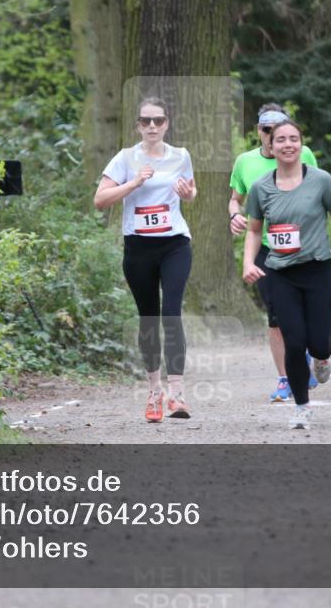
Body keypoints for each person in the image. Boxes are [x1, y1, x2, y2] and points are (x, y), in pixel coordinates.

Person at [242, 120, 331, 430]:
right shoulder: (261, 187)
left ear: (301, 145)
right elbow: (254, 231)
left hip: (317, 269)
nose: (287, 144)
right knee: (293, 342)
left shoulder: (321, 181)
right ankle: (302, 408)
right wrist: (248, 263)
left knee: (320, 343)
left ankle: (322, 358)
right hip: (280, 272)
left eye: (294, 138)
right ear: (272, 146)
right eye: (281, 139)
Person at [94, 98, 196, 423]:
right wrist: (134, 182)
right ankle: (154, 392)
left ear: (167, 123)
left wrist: (187, 195)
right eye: (146, 121)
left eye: (158, 120)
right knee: (148, 317)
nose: (152, 126)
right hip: (138, 247)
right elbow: (99, 200)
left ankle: (177, 395)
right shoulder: (125, 159)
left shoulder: (181, 156)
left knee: (171, 313)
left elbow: (191, 191)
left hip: (175, 243)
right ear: (137, 125)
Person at [229, 104, 323, 402]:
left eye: (278, 129)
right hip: (269, 248)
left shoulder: (303, 154)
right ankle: (285, 378)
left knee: (309, 310)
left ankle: (309, 353)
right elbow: (235, 199)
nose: (272, 136)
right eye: (266, 130)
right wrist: (234, 216)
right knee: (276, 316)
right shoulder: (245, 162)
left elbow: (319, 190)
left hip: (305, 246)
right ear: (258, 131)